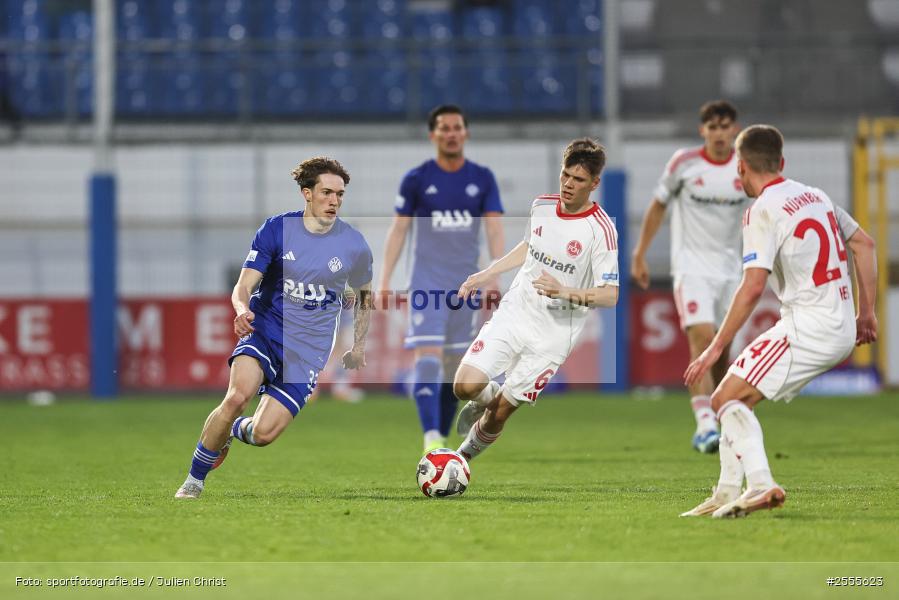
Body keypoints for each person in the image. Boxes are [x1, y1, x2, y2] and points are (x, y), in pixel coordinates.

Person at [681, 125, 878, 518]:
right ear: (781, 162)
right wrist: (866, 313)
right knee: (734, 397)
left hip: (807, 325)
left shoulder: (762, 210)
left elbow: (753, 286)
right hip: (837, 324)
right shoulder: (816, 197)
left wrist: (714, 348)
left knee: (724, 398)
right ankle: (724, 493)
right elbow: (865, 244)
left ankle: (761, 484)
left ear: (740, 167)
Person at [175, 157, 374, 499]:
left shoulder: (354, 245)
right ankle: (193, 481)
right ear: (306, 193)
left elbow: (366, 298)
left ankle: (230, 431)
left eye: (340, 194)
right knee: (238, 396)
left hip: (307, 355)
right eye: (327, 192)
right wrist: (240, 309)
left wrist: (357, 346)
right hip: (266, 332)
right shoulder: (277, 230)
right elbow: (243, 286)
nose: (334, 201)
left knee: (263, 434)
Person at [451, 138, 619, 462]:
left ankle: (459, 461)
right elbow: (529, 246)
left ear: (595, 183)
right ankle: (485, 397)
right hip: (517, 311)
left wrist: (564, 291)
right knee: (464, 385)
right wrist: (486, 273)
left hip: (554, 334)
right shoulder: (541, 205)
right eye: (565, 175)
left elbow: (610, 295)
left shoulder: (602, 231)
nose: (569, 184)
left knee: (499, 414)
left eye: (579, 179)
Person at [378, 104, 505, 453]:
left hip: (467, 286)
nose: (451, 133)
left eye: (457, 127)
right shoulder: (417, 179)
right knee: (428, 356)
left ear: (465, 133)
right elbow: (399, 229)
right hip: (426, 283)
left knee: (455, 369)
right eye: (444, 128)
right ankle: (431, 437)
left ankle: (442, 438)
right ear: (433, 135)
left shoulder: (482, 178)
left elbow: (494, 228)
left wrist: (494, 273)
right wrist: (386, 278)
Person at [631, 100, 749, 454]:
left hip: (732, 268)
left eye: (725, 126)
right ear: (703, 131)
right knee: (702, 338)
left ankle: (719, 411)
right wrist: (640, 252)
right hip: (692, 267)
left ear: (734, 130)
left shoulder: (745, 167)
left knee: (723, 349)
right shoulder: (685, 163)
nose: (718, 133)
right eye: (711, 127)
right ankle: (704, 427)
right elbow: (658, 206)